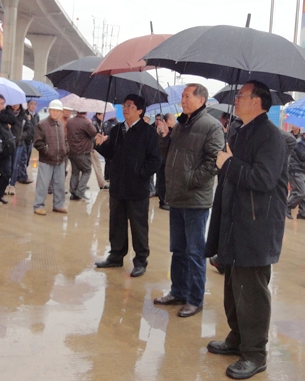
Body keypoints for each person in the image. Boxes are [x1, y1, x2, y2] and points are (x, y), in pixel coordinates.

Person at [205, 81, 287, 380]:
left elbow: (263, 179)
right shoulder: (240, 130)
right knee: (233, 286)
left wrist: (229, 164)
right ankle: (237, 337)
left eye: (242, 95)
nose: (236, 99)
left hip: (257, 225)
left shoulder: (271, 136)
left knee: (252, 292)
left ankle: (255, 353)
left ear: (258, 102)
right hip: (234, 221)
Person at [154, 83, 225, 318]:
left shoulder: (211, 126)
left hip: (195, 198)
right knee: (178, 249)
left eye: (187, 96)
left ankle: (195, 299)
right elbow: (169, 155)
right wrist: (164, 137)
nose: (183, 101)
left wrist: (190, 180)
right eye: (182, 97)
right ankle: (178, 291)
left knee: (195, 252)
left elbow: (214, 162)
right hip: (176, 197)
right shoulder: (180, 124)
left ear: (201, 100)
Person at [94, 95, 161, 277]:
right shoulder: (117, 130)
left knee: (139, 226)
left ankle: (140, 260)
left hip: (137, 189)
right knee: (116, 224)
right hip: (117, 186)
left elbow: (155, 160)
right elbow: (110, 154)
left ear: (140, 110)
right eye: (124, 105)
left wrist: (140, 174)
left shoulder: (148, 132)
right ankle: (116, 256)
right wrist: (100, 145)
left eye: (130, 106)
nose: (125, 109)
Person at [33, 99, 69, 215]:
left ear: (61, 112)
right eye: (53, 110)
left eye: (57, 111)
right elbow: (37, 142)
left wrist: (65, 150)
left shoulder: (61, 125)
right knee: (43, 184)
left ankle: (58, 205)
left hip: (60, 160)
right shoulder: (42, 124)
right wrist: (47, 152)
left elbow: (65, 140)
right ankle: (38, 205)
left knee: (60, 184)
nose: (55, 112)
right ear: (49, 110)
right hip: (46, 160)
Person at [66, 111, 97, 200]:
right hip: (82, 151)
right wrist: (90, 123)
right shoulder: (86, 122)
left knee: (75, 172)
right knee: (87, 170)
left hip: (72, 151)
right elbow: (94, 133)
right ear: (86, 112)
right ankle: (80, 192)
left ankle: (73, 192)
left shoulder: (70, 121)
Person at [7, 103, 33, 195]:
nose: (14, 105)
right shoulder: (6, 114)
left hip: (19, 144)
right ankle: (5, 184)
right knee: (7, 165)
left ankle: (12, 184)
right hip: (8, 144)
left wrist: (21, 136)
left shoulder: (23, 116)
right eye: (13, 103)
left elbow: (28, 129)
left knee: (15, 165)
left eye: (17, 104)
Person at [156, 113, 176, 210]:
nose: (175, 121)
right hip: (162, 160)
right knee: (162, 181)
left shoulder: (174, 131)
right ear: (168, 121)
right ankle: (163, 201)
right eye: (173, 119)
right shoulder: (162, 131)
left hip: (169, 160)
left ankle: (166, 200)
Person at [16, 99, 38, 185]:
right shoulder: (23, 114)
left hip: (31, 140)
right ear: (28, 105)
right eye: (31, 104)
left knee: (27, 159)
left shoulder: (36, 116)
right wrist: (27, 120)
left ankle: (19, 174)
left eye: (35, 104)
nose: (33, 106)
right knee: (23, 158)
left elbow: (37, 127)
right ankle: (23, 177)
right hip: (23, 140)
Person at [90, 112, 109, 189]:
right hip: (92, 147)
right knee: (97, 165)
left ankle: (79, 185)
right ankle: (102, 183)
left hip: (90, 146)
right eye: (102, 115)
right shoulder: (94, 123)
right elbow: (93, 134)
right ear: (98, 115)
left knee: (85, 167)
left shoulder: (98, 122)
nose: (103, 117)